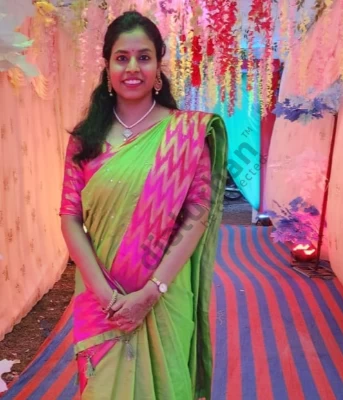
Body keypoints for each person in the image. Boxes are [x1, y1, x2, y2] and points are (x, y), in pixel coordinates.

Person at [59, 10, 227, 400]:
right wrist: (105, 296)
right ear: (107, 67)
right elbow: (69, 217)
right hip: (101, 298)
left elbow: (197, 214)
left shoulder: (185, 133)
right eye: (122, 58)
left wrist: (152, 291)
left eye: (144, 57)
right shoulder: (85, 139)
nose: (133, 68)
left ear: (158, 65)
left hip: (164, 295)